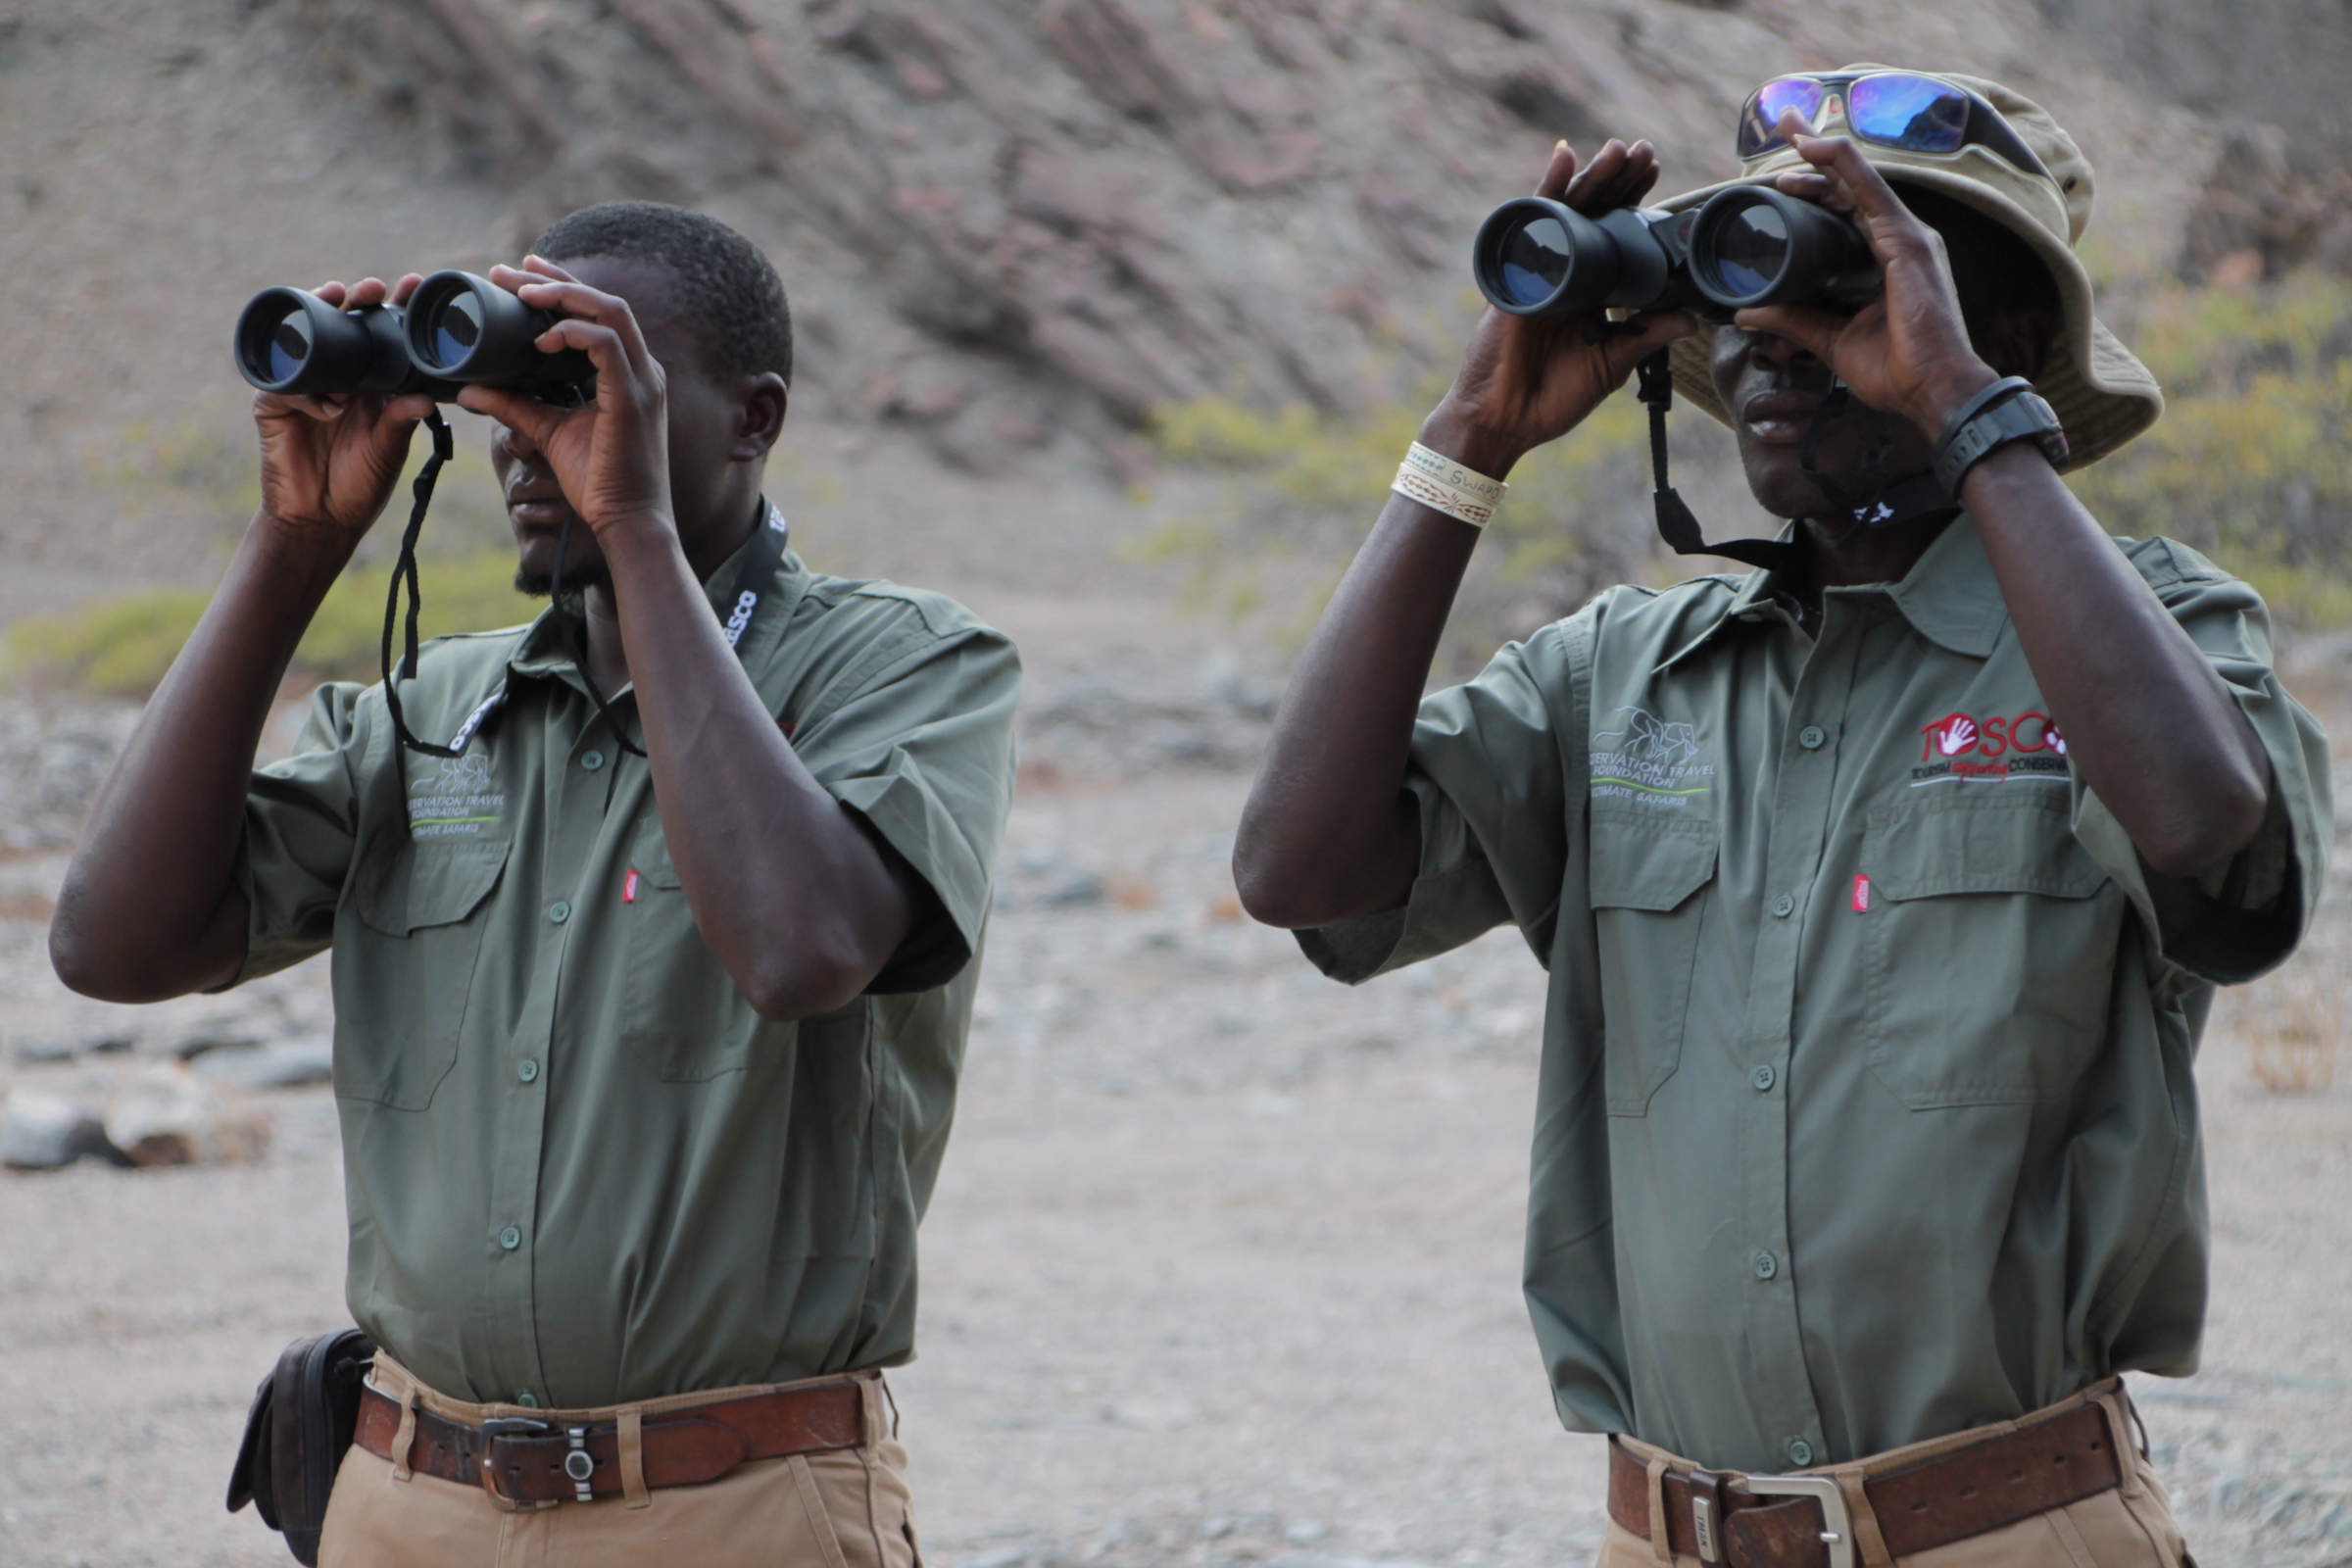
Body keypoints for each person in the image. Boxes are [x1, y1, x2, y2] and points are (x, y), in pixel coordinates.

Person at [1233, 71, 2330, 1568]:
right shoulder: (1621, 676)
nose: (1765, 334)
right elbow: (1298, 869)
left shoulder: (2152, 638)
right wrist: (1467, 442)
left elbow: (2212, 831)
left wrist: (1965, 414)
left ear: (1999, 335)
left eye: (1854, 274)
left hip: (2010, 1531)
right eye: (1740, 286)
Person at [50, 203, 1019, 1567]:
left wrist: (632, 524)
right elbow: (113, 946)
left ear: (750, 419)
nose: (523, 438)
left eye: (574, 387)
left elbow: (802, 947)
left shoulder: (906, 669)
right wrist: (294, 545)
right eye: (505, 394)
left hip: (733, 1508)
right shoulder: (432, 709)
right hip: (408, 1494)